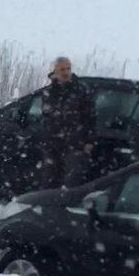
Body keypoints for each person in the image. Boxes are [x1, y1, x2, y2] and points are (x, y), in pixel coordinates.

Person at [39, 57, 96, 188]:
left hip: (75, 144)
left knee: (70, 183)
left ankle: (65, 205)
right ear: (55, 72)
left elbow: (90, 118)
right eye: (62, 69)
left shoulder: (81, 90)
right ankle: (47, 206)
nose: (66, 72)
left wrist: (89, 141)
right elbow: (46, 117)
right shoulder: (48, 92)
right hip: (52, 145)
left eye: (68, 68)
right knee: (49, 181)